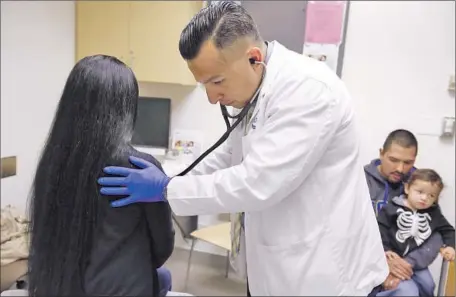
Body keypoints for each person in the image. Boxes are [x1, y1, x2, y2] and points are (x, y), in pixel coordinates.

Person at [97, 2, 388, 295]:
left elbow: (257, 183)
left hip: (324, 273)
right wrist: (166, 175)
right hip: (277, 266)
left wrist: (166, 190)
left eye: (217, 81)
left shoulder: (309, 91)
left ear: (254, 58)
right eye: (203, 85)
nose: (212, 98)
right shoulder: (258, 89)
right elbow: (227, 157)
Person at [27, 55, 174, 296]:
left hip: (57, 288)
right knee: (163, 276)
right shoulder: (141, 169)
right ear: (126, 108)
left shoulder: (51, 164)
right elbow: (161, 250)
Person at [364, 129, 444, 288]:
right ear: (381, 153)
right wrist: (383, 259)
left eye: (407, 163)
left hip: (407, 264)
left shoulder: (421, 186)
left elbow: (437, 233)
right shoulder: (360, 182)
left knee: (426, 286)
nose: (400, 169)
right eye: (393, 160)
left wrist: (407, 263)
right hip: (367, 261)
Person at [376, 169, 455, 296]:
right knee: (403, 289)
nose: (424, 198)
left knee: (428, 285)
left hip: (417, 264)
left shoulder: (434, 213)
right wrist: (386, 250)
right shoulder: (391, 208)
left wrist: (450, 246)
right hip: (392, 259)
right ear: (407, 188)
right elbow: (380, 229)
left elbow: (448, 230)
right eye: (420, 192)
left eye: (431, 196)